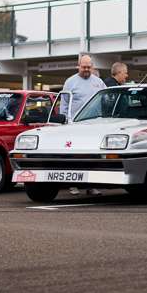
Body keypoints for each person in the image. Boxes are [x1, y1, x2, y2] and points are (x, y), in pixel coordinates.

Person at [61, 54, 106, 196]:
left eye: (89, 67)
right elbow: (64, 104)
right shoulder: (70, 82)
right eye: (83, 66)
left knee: (93, 158)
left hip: (95, 127)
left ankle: (91, 186)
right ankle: (73, 185)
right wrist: (65, 122)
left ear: (92, 67)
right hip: (74, 126)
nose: (86, 69)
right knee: (74, 157)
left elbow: (106, 100)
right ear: (78, 66)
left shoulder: (98, 82)